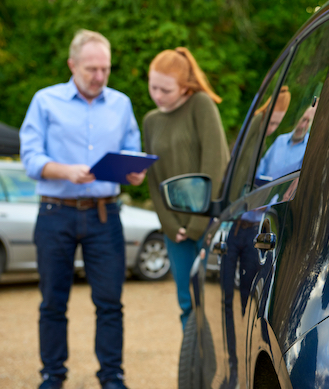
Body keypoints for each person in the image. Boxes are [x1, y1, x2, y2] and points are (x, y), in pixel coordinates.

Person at [19, 29, 146, 389]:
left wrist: (134, 173)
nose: (99, 76)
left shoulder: (121, 103)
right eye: (91, 68)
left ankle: (112, 377)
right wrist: (64, 170)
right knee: (52, 302)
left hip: (105, 215)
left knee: (110, 303)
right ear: (72, 65)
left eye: (105, 68)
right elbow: (30, 158)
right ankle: (52, 376)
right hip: (55, 213)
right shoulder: (44, 101)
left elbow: (131, 152)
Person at [143, 47, 229, 331]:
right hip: (174, 229)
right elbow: (153, 180)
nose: (157, 95)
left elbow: (215, 163)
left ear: (185, 87)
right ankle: (194, 370)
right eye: (153, 86)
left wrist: (195, 224)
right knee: (186, 302)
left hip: (207, 223)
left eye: (165, 90)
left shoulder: (201, 105)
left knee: (215, 302)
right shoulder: (150, 121)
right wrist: (169, 225)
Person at [255, 104, 317, 182]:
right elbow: (262, 166)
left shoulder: (309, 149)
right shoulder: (280, 140)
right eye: (304, 119)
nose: (302, 126)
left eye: (309, 122)